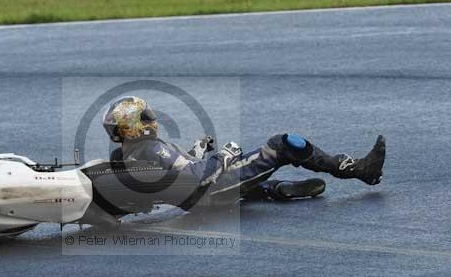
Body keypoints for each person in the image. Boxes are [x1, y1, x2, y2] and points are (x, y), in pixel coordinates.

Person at [102, 96, 385, 203]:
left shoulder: (131, 153)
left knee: (248, 172)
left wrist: (197, 150)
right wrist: (224, 156)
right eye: (146, 116)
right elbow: (195, 177)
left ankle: (270, 189)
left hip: (194, 199)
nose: (152, 119)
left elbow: (177, 172)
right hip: (210, 189)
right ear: (135, 126)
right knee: (285, 143)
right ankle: (357, 169)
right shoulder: (151, 148)